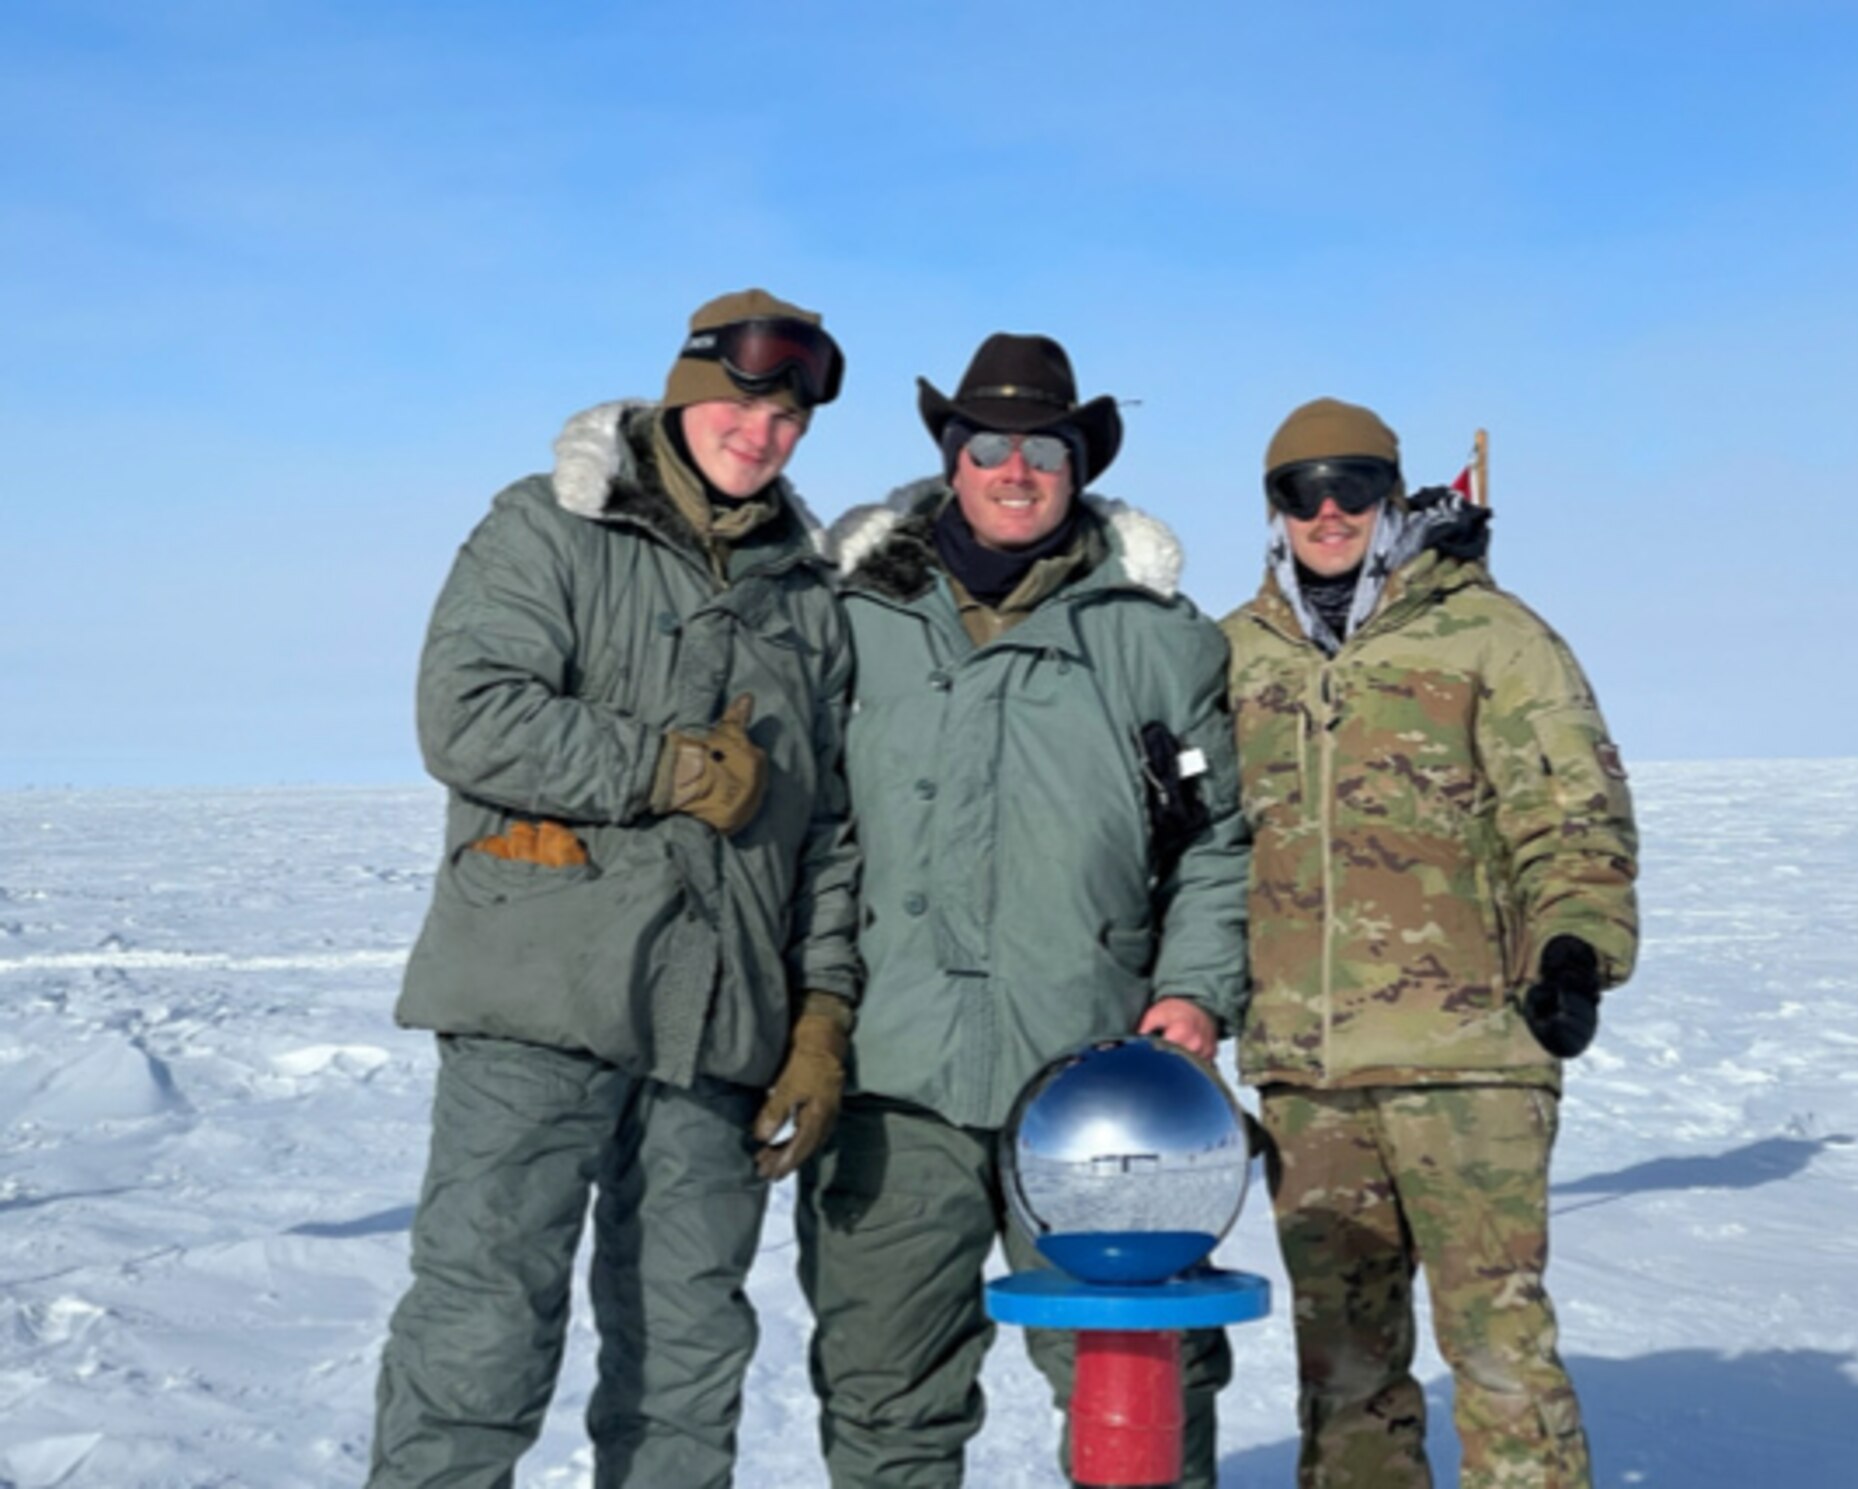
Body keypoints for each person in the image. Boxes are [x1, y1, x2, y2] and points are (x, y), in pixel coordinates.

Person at [369, 289, 861, 1489]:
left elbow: (831, 829)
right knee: (483, 1332)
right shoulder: (548, 527)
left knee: (686, 1360)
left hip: (717, 1026)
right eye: (744, 403)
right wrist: (669, 767)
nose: (764, 433)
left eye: (789, 420)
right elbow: (468, 714)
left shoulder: (808, 596)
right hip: (539, 999)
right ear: (689, 392)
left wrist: (821, 1015)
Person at [799, 333, 1251, 1487]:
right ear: (951, 456)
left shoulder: (1153, 638)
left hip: (1097, 1087)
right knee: (884, 1389)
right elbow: (803, 833)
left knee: (1139, 1389)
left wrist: (1194, 994)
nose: (1014, 470)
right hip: (890, 1078)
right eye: (987, 444)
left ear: (1077, 464)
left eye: (1041, 448)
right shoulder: (849, 619)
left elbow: (1213, 846)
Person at [1223, 398, 1640, 1489]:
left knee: (1498, 1351)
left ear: (1390, 493)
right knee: (1342, 1367)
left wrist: (1572, 948)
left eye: (1351, 486)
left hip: (1469, 1057)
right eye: (1299, 490)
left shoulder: (1489, 635)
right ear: (1272, 508)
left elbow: (1568, 809)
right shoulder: (1235, 655)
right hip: (1306, 1072)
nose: (1326, 510)